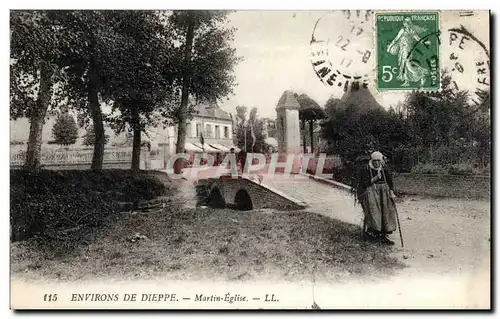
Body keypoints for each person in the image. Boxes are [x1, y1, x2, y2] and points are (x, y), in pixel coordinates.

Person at [354, 151, 398, 245]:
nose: (377, 163)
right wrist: (376, 178)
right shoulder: (366, 169)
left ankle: (384, 235)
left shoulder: (384, 168)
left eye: (379, 161)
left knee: (386, 212)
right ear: (372, 160)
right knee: (374, 211)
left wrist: (391, 192)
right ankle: (374, 233)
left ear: (381, 160)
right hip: (371, 193)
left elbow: (389, 182)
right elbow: (364, 184)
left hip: (384, 194)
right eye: (375, 161)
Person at [387, 17, 429, 87]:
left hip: (408, 50)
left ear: (409, 23)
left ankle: (421, 76)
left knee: (407, 64)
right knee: (403, 65)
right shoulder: (403, 30)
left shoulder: (411, 31)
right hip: (402, 49)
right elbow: (396, 39)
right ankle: (407, 81)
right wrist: (390, 46)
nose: (404, 24)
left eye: (406, 23)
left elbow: (418, 39)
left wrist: (424, 42)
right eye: (404, 22)